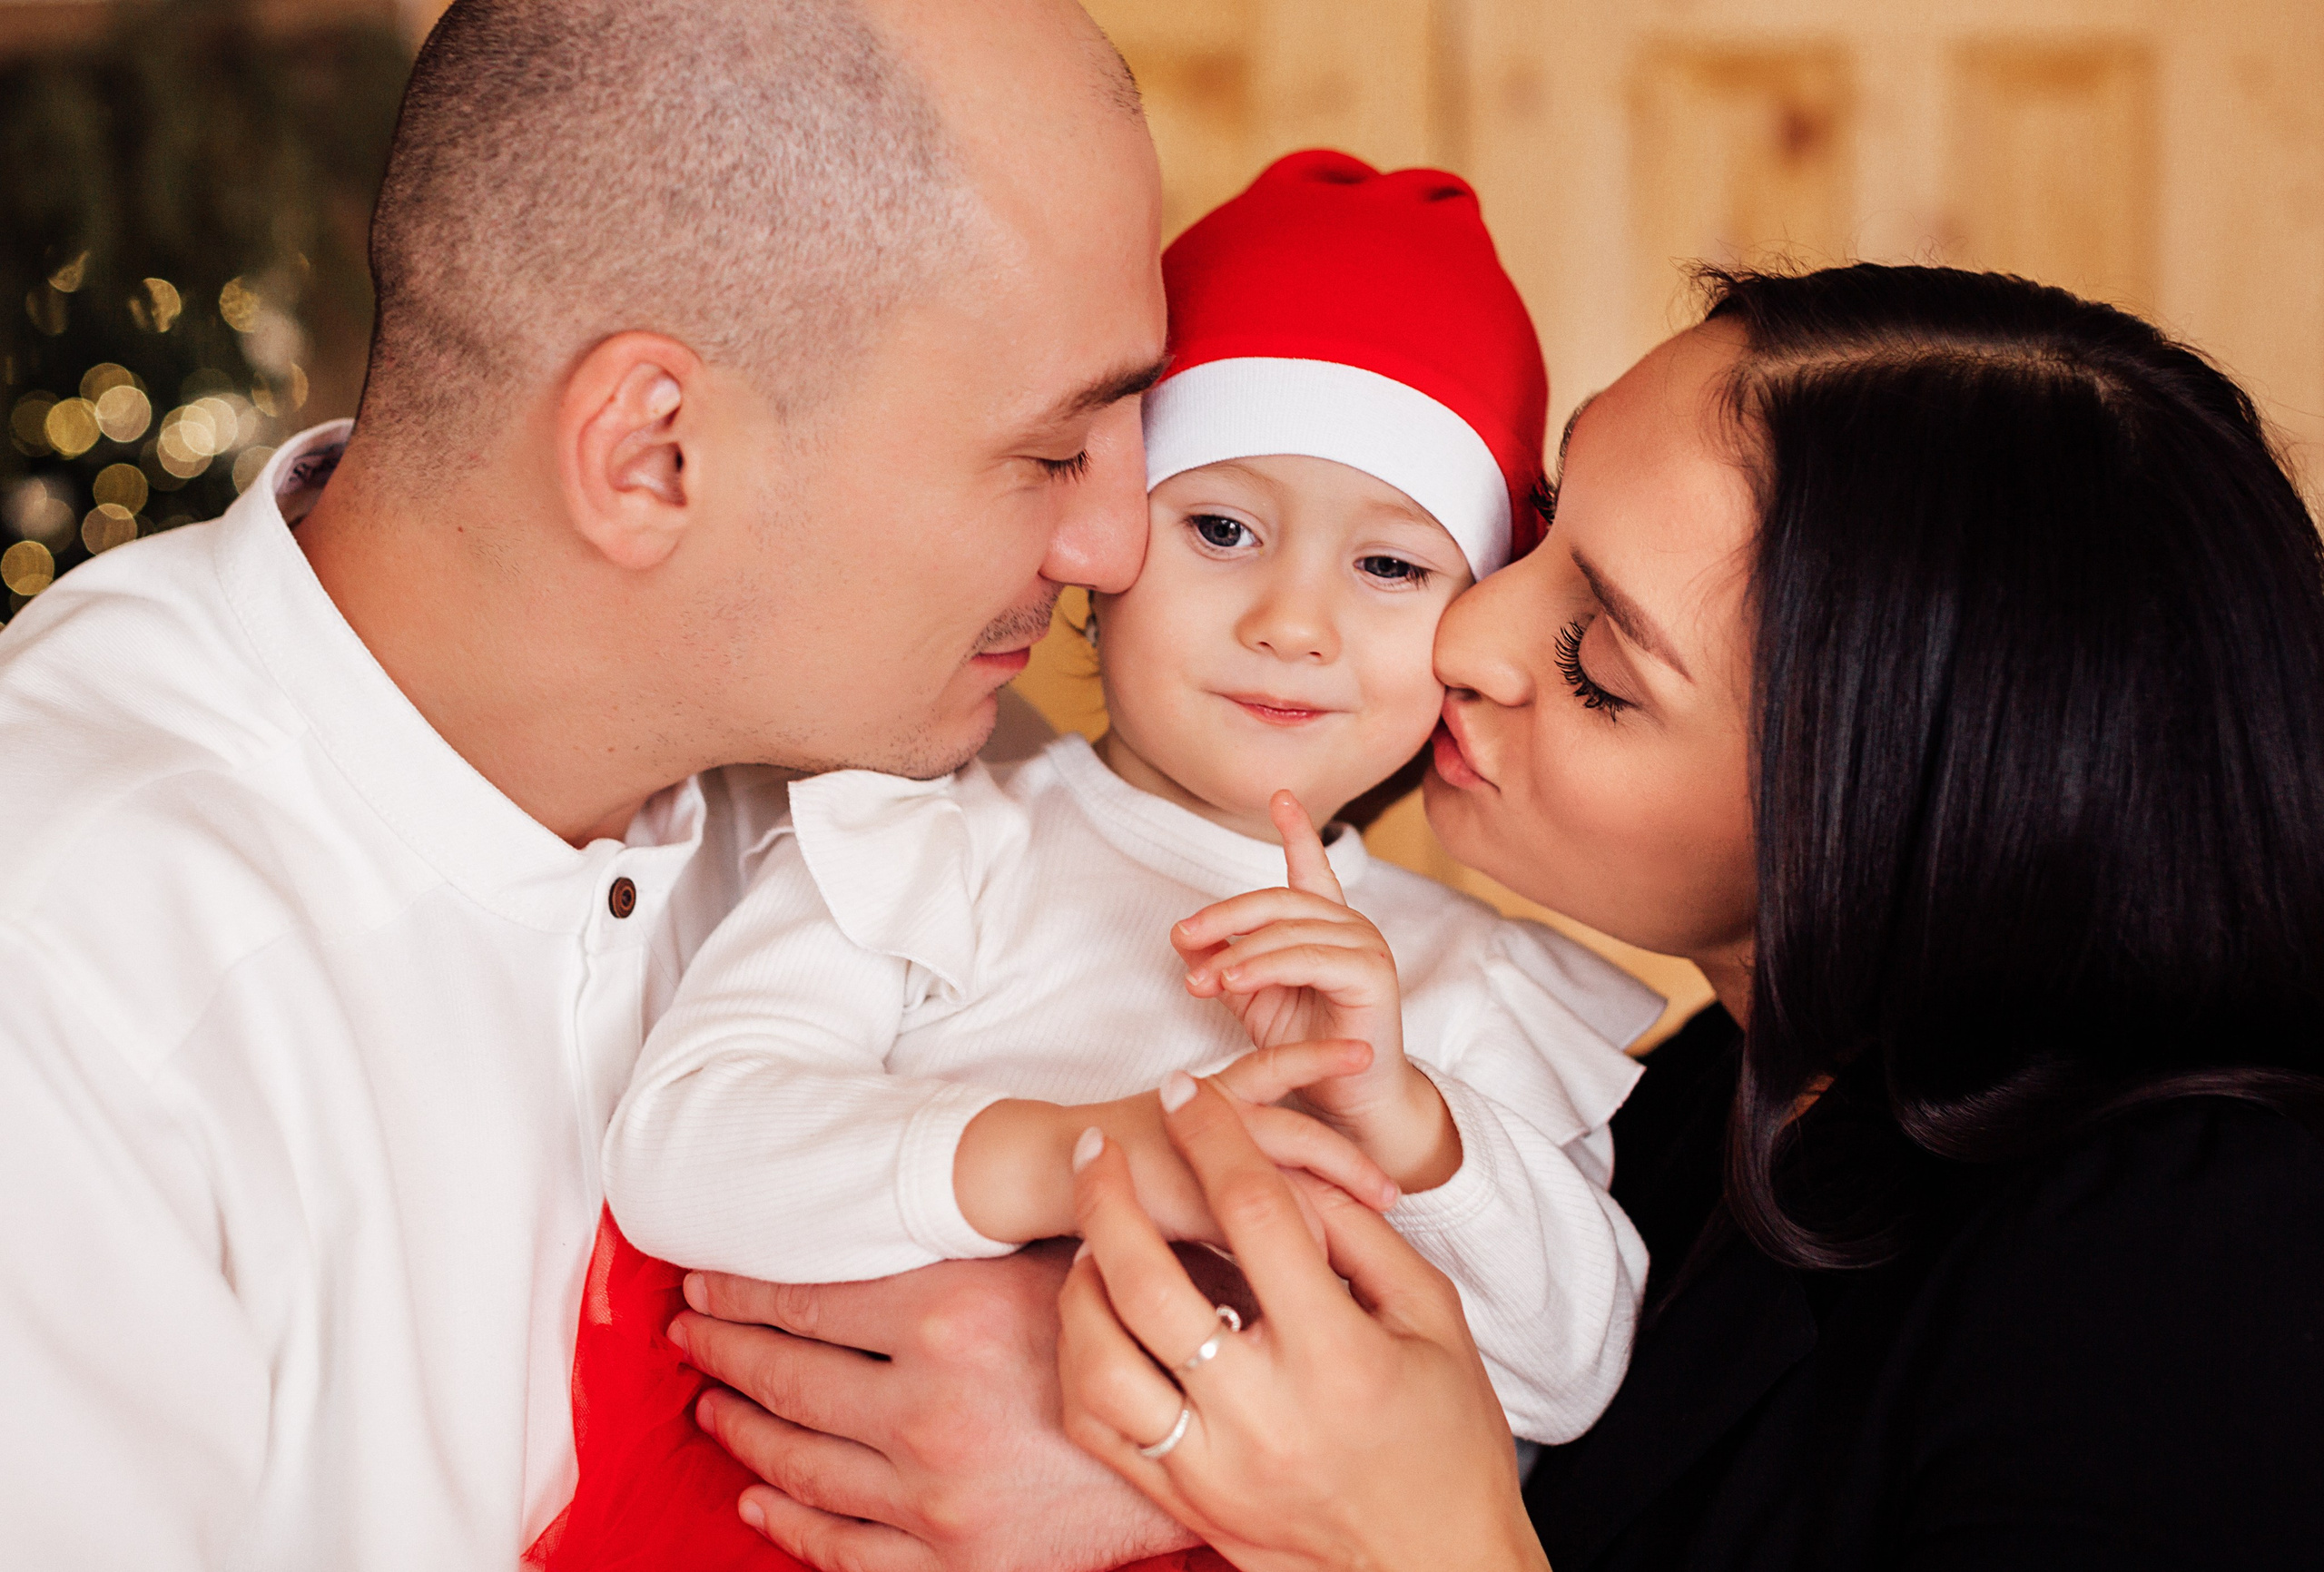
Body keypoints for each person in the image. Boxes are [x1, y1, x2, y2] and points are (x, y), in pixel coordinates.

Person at [0, 0, 1196, 1567]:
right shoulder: (72, 976)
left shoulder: (951, 777)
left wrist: (1167, 1445)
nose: (1117, 551)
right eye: (1049, 454)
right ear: (654, 456)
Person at [1051, 264, 2324, 1570]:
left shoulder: (2206, 1255)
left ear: (1899, 808)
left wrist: (1425, 1545)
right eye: (1539, 524)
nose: (1468, 635)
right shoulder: (1678, 1105)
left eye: (1600, 657)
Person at [530, 150, 1662, 1572]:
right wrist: (1079, 1160)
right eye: (1222, 528)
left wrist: (1414, 1121)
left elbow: (1569, 1371)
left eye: (1389, 567)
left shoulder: (1471, 987)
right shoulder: (940, 839)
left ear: (1476, 612)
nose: (1294, 622)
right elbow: (682, 1148)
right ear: (1108, 543)